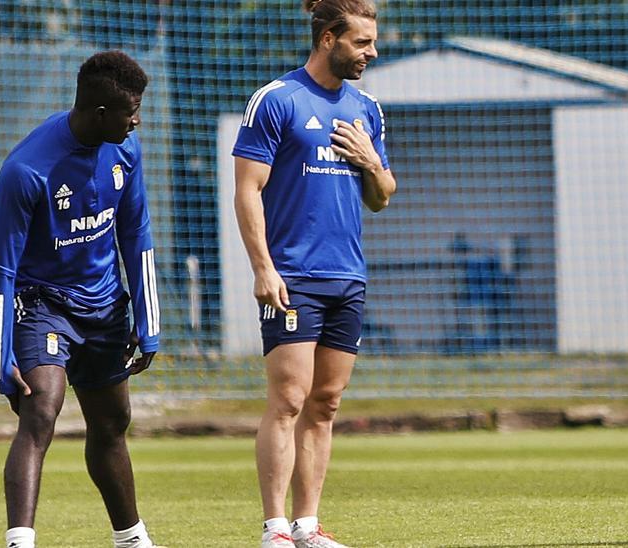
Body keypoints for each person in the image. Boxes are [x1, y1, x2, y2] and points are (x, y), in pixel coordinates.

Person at [0, 50, 163, 548]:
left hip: (104, 305)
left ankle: (130, 538)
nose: (137, 120)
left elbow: (136, 234)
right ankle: (20, 541)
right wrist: (1, 356)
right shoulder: (26, 170)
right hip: (42, 305)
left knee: (112, 423)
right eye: (131, 112)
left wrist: (149, 320)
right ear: (102, 114)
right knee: (41, 409)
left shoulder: (127, 151)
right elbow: (0, 268)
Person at [232, 0, 395, 546]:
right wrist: (263, 268)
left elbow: (382, 199)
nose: (372, 52)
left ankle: (307, 526)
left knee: (325, 404)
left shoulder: (367, 108)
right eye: (362, 42)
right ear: (328, 38)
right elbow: (247, 191)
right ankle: (274, 528)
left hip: (347, 276)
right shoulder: (276, 100)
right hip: (293, 275)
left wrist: (371, 162)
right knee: (289, 399)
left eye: (372, 42)